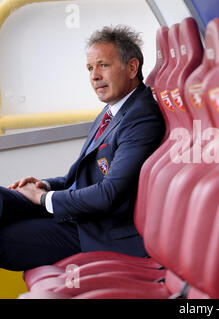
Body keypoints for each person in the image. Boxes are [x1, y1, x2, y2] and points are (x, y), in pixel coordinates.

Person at [0, 25, 165, 271]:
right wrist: (46, 186)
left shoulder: (141, 117)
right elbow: (75, 178)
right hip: (79, 213)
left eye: (103, 65)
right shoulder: (111, 111)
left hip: (99, 230)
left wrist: (44, 199)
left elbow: (109, 194)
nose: (94, 76)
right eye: (90, 68)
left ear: (132, 67)